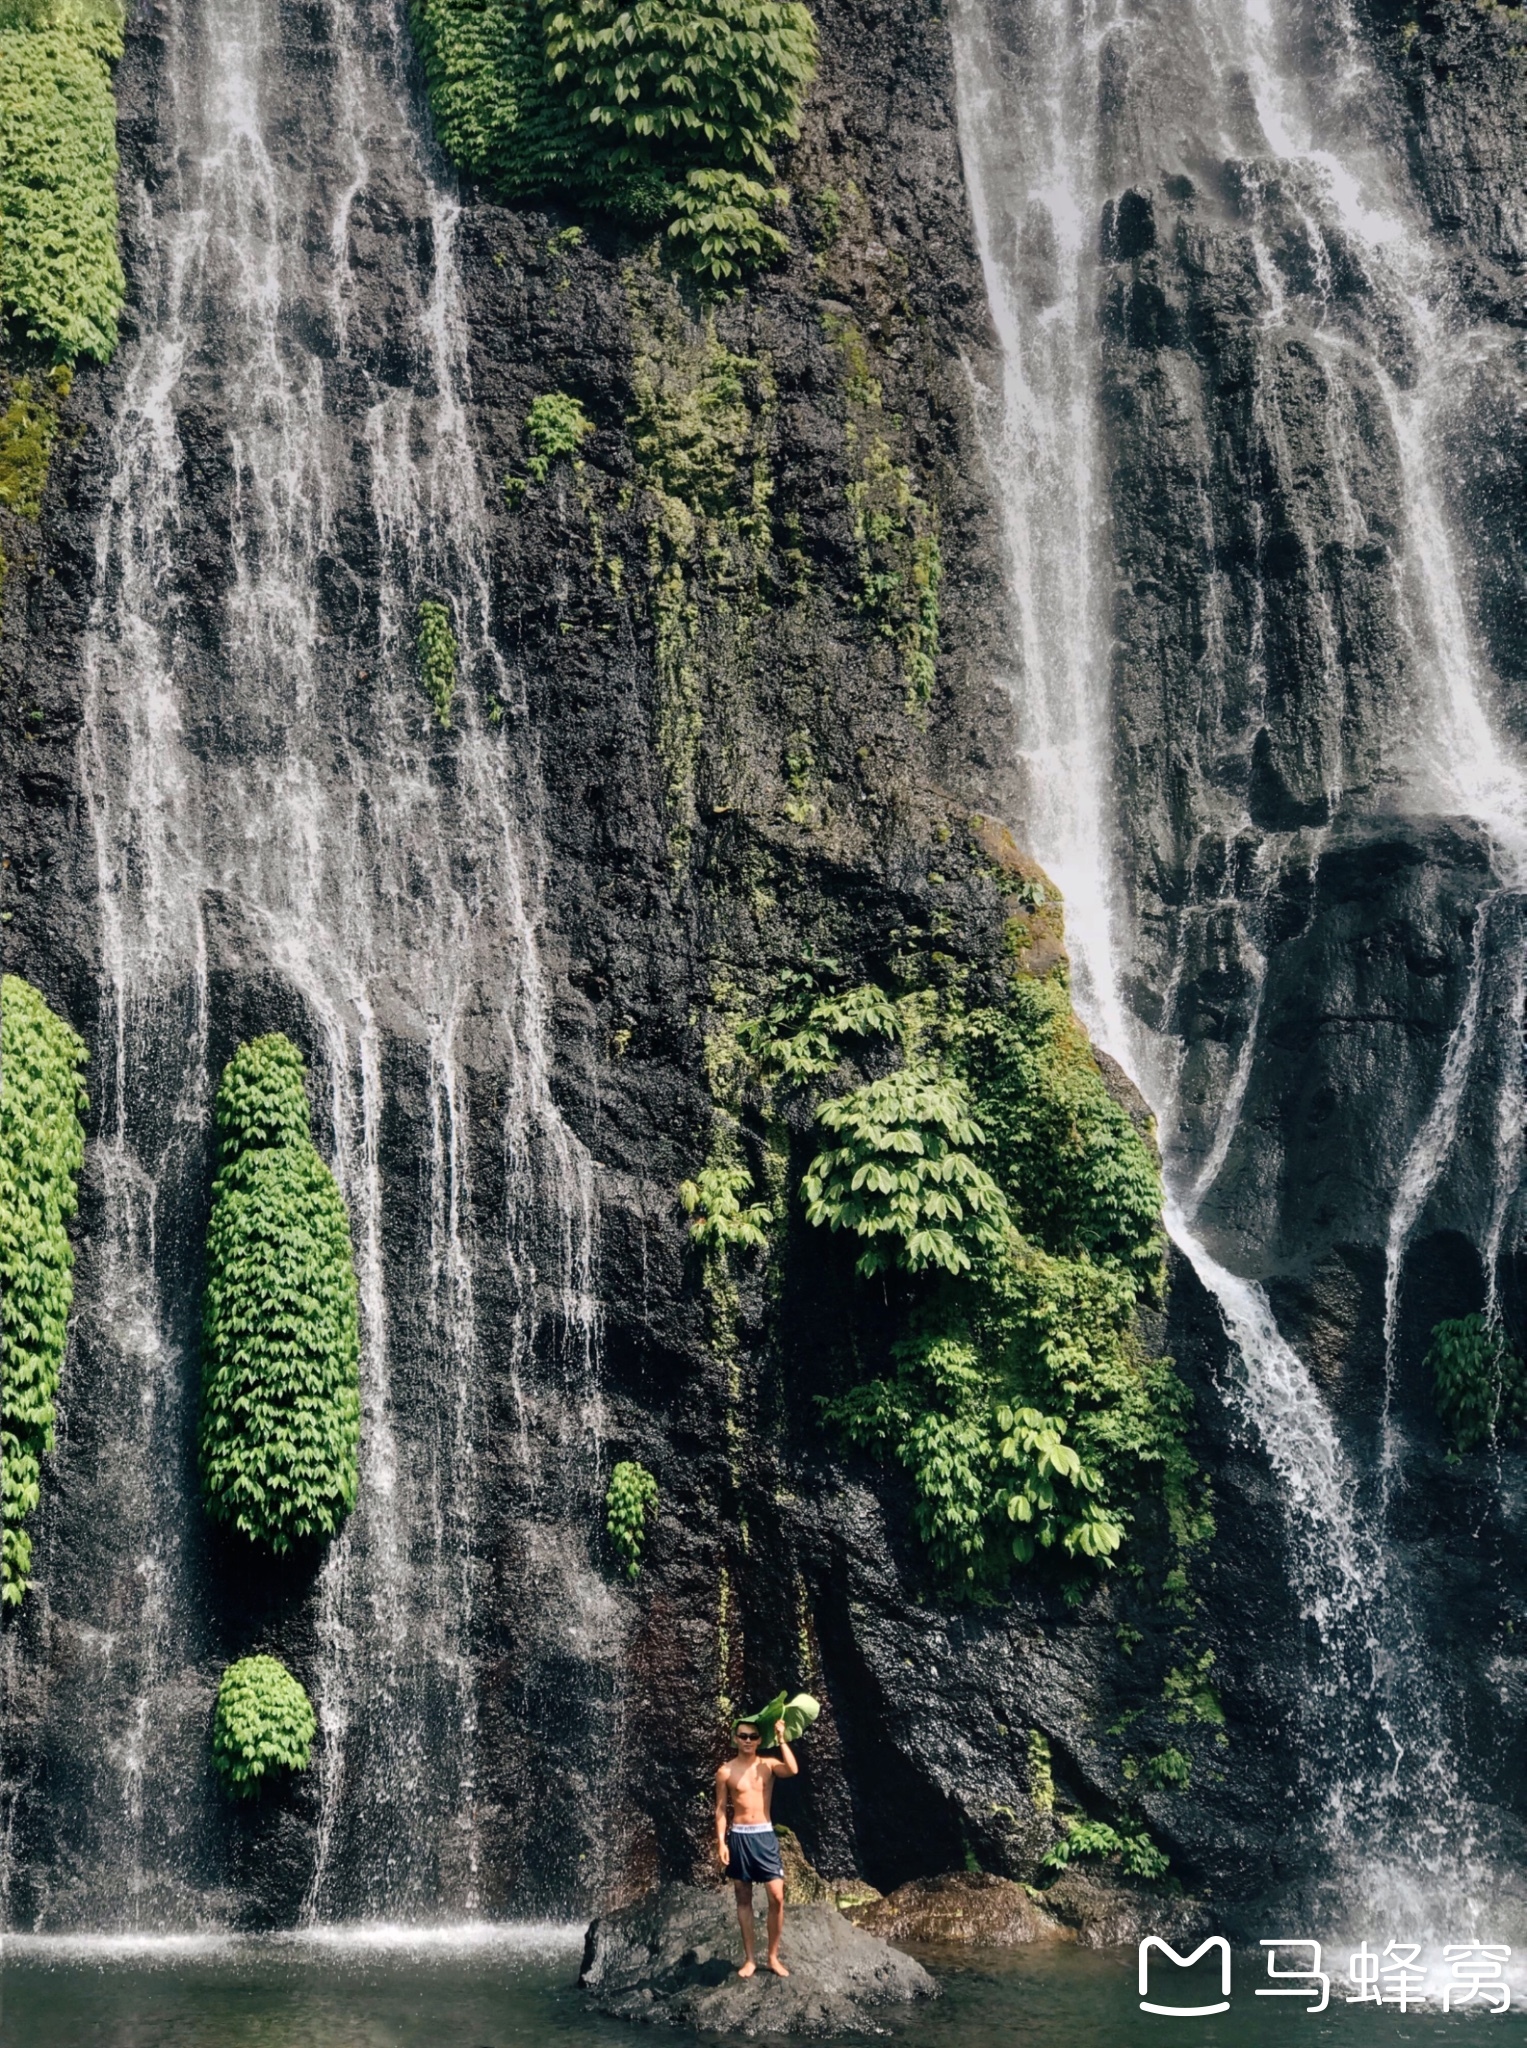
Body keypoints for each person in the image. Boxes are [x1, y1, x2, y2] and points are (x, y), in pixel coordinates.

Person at [714, 1713, 798, 1977]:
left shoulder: (768, 1765)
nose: (748, 1740)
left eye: (752, 1736)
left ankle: (773, 1957)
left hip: (764, 1835)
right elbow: (720, 1810)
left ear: (760, 1739)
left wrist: (782, 1738)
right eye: (743, 1736)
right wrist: (721, 1842)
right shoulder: (725, 1771)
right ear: (735, 1739)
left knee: (777, 1896)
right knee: (743, 1898)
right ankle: (750, 1959)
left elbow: (793, 1769)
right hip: (739, 1836)